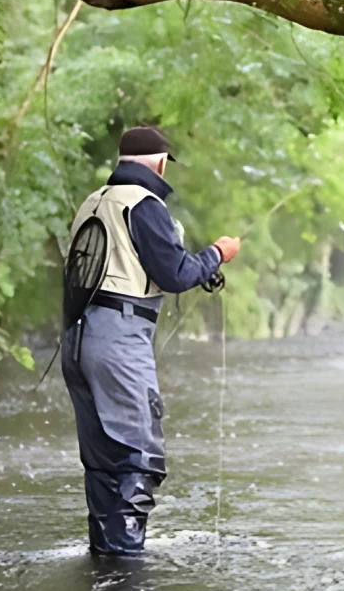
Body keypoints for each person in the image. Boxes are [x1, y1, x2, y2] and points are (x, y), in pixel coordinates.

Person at [61, 126, 241, 556]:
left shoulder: (92, 203)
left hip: (76, 339)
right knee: (138, 459)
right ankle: (125, 571)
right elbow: (175, 274)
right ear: (160, 163)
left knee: (103, 462)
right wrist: (217, 253)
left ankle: (105, 564)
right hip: (118, 343)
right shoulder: (144, 204)